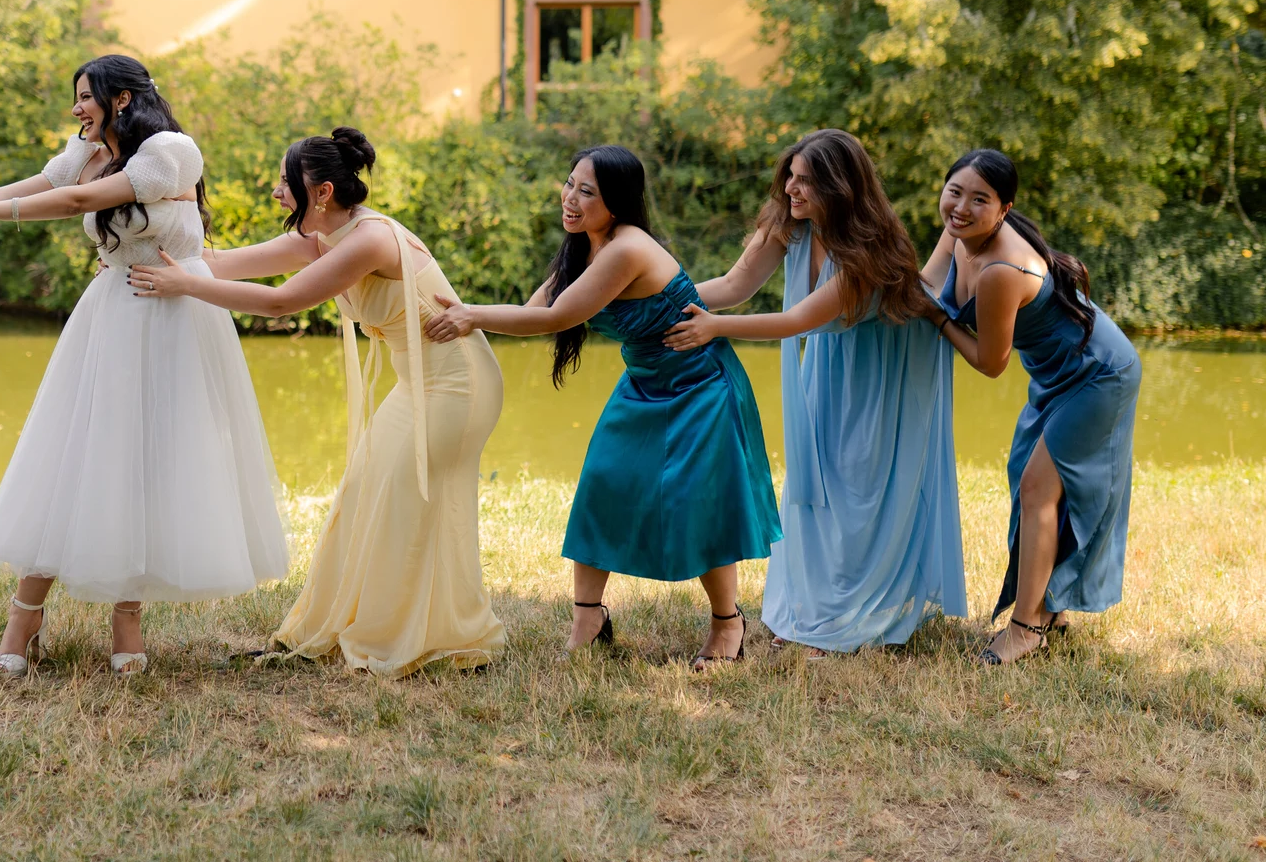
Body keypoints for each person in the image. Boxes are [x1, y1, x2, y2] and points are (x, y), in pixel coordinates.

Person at [0, 55, 287, 678]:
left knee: (150, 459)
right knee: (71, 451)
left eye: (85, 96)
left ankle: (127, 618)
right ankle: (24, 615)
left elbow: (76, 201)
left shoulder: (171, 151)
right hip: (113, 314)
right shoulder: (88, 153)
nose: (76, 109)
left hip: (177, 317)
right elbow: (26, 189)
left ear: (121, 98)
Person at [126, 127, 504, 677]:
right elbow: (220, 261)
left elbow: (281, 303)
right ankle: (350, 625)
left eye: (286, 183)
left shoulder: (370, 240)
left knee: (402, 502)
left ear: (322, 192)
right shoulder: (322, 238)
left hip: (456, 384)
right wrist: (142, 243)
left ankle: (410, 635)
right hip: (417, 384)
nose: (276, 192)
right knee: (362, 495)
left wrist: (185, 286)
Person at [425, 146, 780, 668]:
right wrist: (461, 313)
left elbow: (558, 318)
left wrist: (471, 315)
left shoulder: (626, 249)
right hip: (643, 382)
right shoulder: (584, 247)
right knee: (601, 487)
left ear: (617, 201)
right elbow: (534, 311)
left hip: (700, 384)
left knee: (698, 504)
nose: (570, 198)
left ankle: (728, 624)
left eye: (586, 191)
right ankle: (589, 620)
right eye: (569, 183)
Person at [665, 129, 965, 655]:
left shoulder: (866, 254)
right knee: (816, 484)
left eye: (805, 181)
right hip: (830, 363)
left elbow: (797, 320)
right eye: (790, 177)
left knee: (858, 493)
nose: (791, 190)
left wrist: (714, 328)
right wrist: (664, 301)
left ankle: (856, 615)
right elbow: (735, 285)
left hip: (885, 370)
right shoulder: (789, 223)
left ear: (840, 188)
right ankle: (815, 610)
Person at [924, 149, 1141, 665]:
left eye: (980, 199)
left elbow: (990, 361)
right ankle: (1049, 608)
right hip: (1054, 372)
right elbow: (927, 285)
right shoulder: (957, 231)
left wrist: (938, 322)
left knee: (1038, 486)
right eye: (955, 191)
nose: (961, 207)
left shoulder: (1001, 269)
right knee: (1027, 474)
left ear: (1004, 209)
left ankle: (1025, 628)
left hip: (1098, 373)